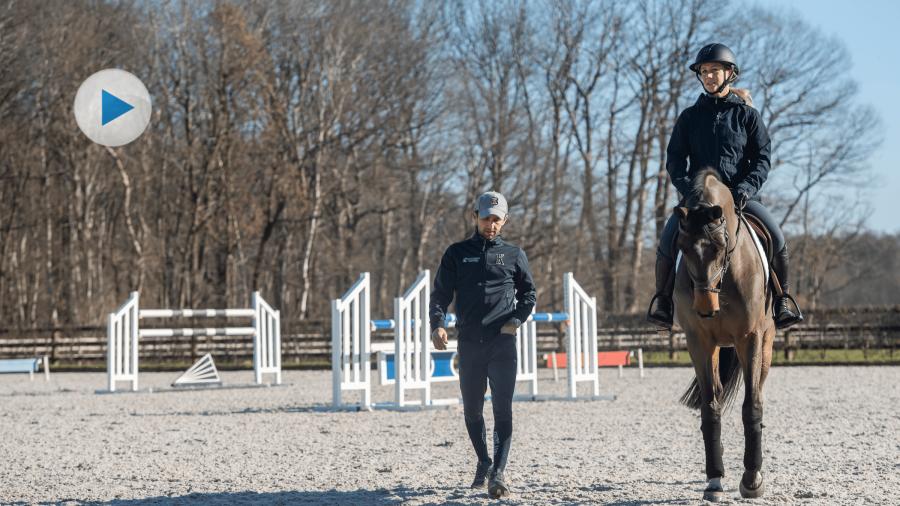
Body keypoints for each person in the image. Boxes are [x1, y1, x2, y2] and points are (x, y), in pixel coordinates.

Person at [647, 43, 803, 330]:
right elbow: (674, 160)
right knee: (667, 242)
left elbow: (762, 158)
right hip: (698, 201)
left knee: (778, 240)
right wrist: (689, 190)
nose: (708, 76)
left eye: (714, 71)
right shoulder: (689, 117)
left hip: (742, 198)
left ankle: (782, 301)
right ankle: (663, 302)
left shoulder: (748, 117)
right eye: (704, 72)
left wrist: (745, 189)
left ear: (729, 73)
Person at [429, 191, 536, 499]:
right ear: (474, 216)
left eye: (496, 220)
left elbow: (529, 295)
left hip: (502, 343)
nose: (491, 225)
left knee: (503, 410)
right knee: (473, 409)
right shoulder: (456, 253)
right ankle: (484, 461)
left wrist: (515, 320)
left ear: (505, 221)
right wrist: (438, 324)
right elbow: (440, 296)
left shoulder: (515, 254)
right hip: (470, 344)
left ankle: (499, 474)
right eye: (486, 218)